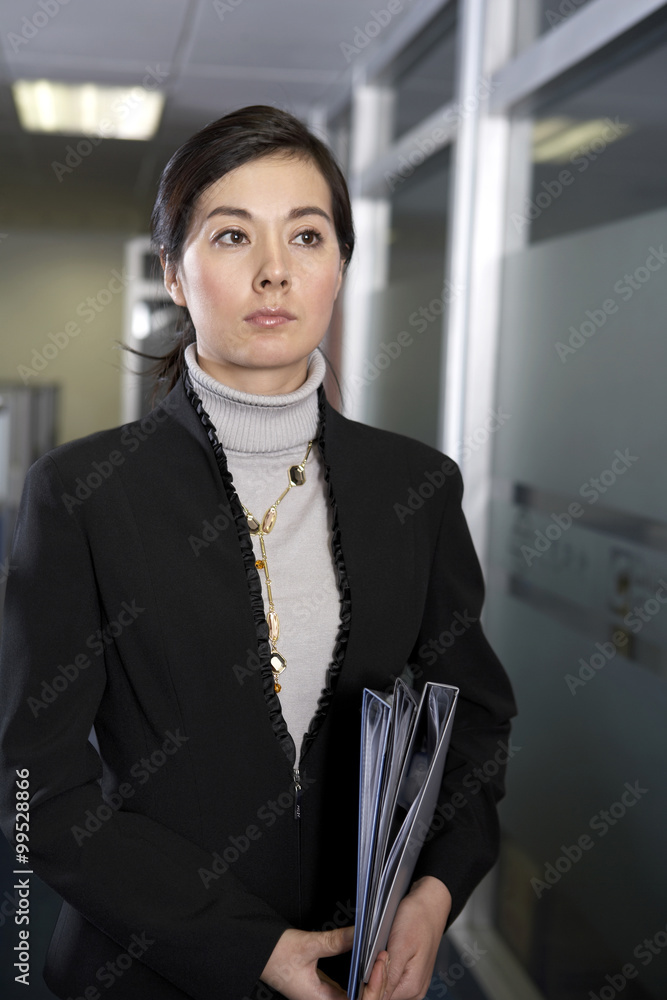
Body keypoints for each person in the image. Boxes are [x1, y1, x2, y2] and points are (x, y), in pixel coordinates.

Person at [0, 105, 517, 1000]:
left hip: (360, 963)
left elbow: (468, 727)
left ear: (339, 268)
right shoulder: (83, 492)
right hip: (145, 967)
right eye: (233, 235)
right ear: (173, 271)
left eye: (307, 237)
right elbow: (31, 789)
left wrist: (433, 895)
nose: (275, 272)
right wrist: (246, 947)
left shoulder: (417, 487)